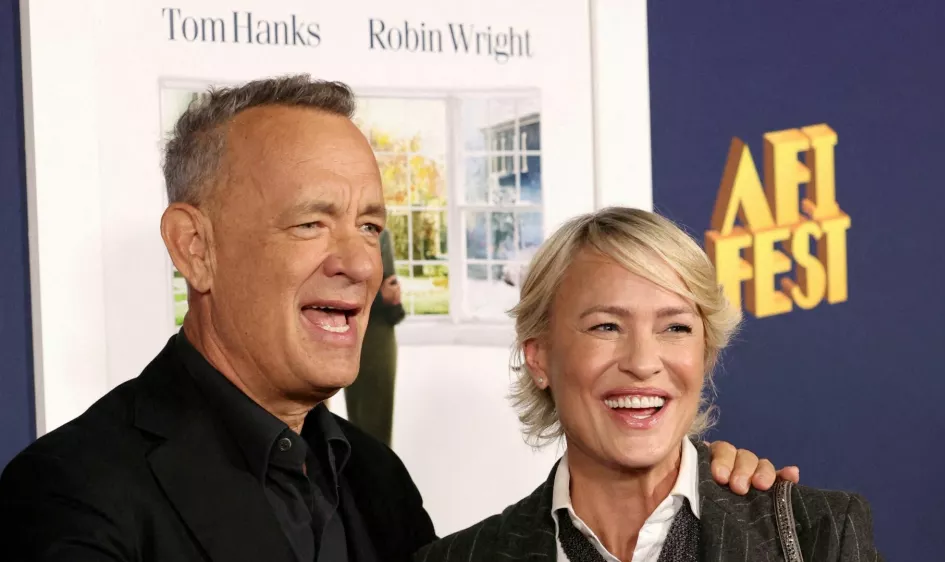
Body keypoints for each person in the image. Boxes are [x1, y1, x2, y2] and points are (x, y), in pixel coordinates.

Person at [0, 76, 795, 561]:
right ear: (194, 248)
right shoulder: (73, 490)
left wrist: (704, 494)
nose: (359, 261)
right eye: (313, 222)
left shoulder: (377, 484)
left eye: (371, 227)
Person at [417, 207, 883, 562]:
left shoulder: (818, 535)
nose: (642, 362)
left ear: (706, 355)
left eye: (675, 328)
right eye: (606, 327)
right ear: (539, 358)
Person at [345, 229, 406, 446]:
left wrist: (389, 300)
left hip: (374, 332)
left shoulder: (380, 235)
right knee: (360, 420)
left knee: (373, 425)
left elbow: (389, 290)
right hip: (354, 332)